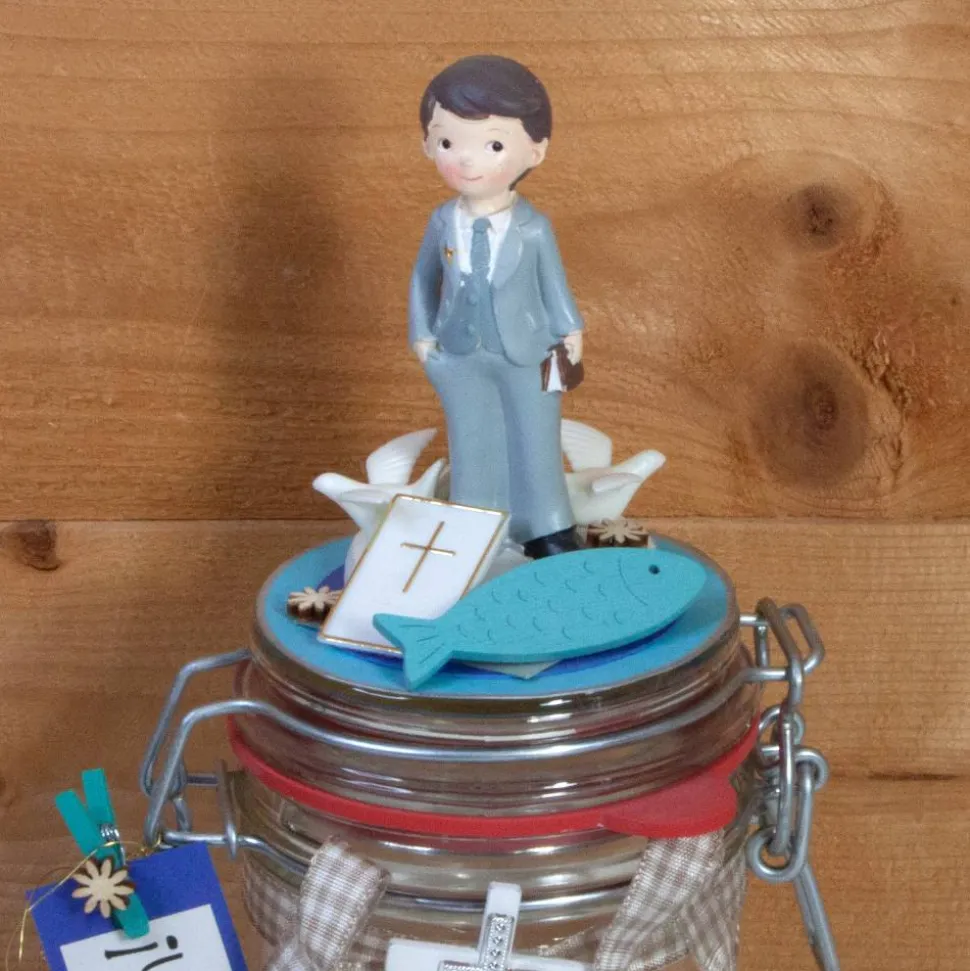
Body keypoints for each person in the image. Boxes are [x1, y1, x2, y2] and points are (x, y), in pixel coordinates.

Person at [409, 54, 585, 558]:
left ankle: (546, 526)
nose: (467, 161)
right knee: (471, 438)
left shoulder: (534, 229)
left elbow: (554, 285)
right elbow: (423, 278)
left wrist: (571, 332)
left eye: (493, 145)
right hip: (460, 351)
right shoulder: (443, 222)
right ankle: (475, 522)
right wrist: (422, 336)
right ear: (428, 144)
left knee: (536, 436)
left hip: (528, 350)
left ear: (536, 150)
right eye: (448, 143)